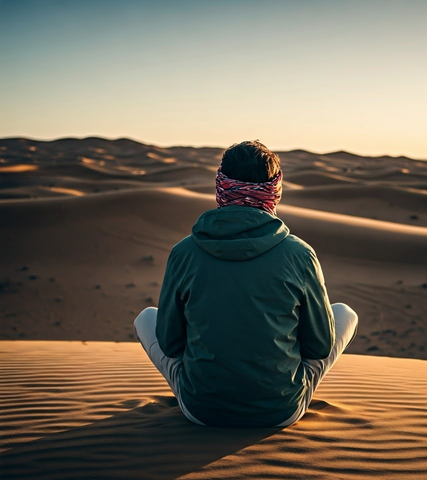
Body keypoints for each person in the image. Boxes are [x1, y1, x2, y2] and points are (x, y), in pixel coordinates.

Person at [134, 140, 358, 428]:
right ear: (274, 190)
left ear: (221, 186)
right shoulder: (300, 254)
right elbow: (319, 346)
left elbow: (169, 342)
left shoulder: (184, 252)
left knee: (146, 317)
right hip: (280, 411)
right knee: (345, 313)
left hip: (201, 410)